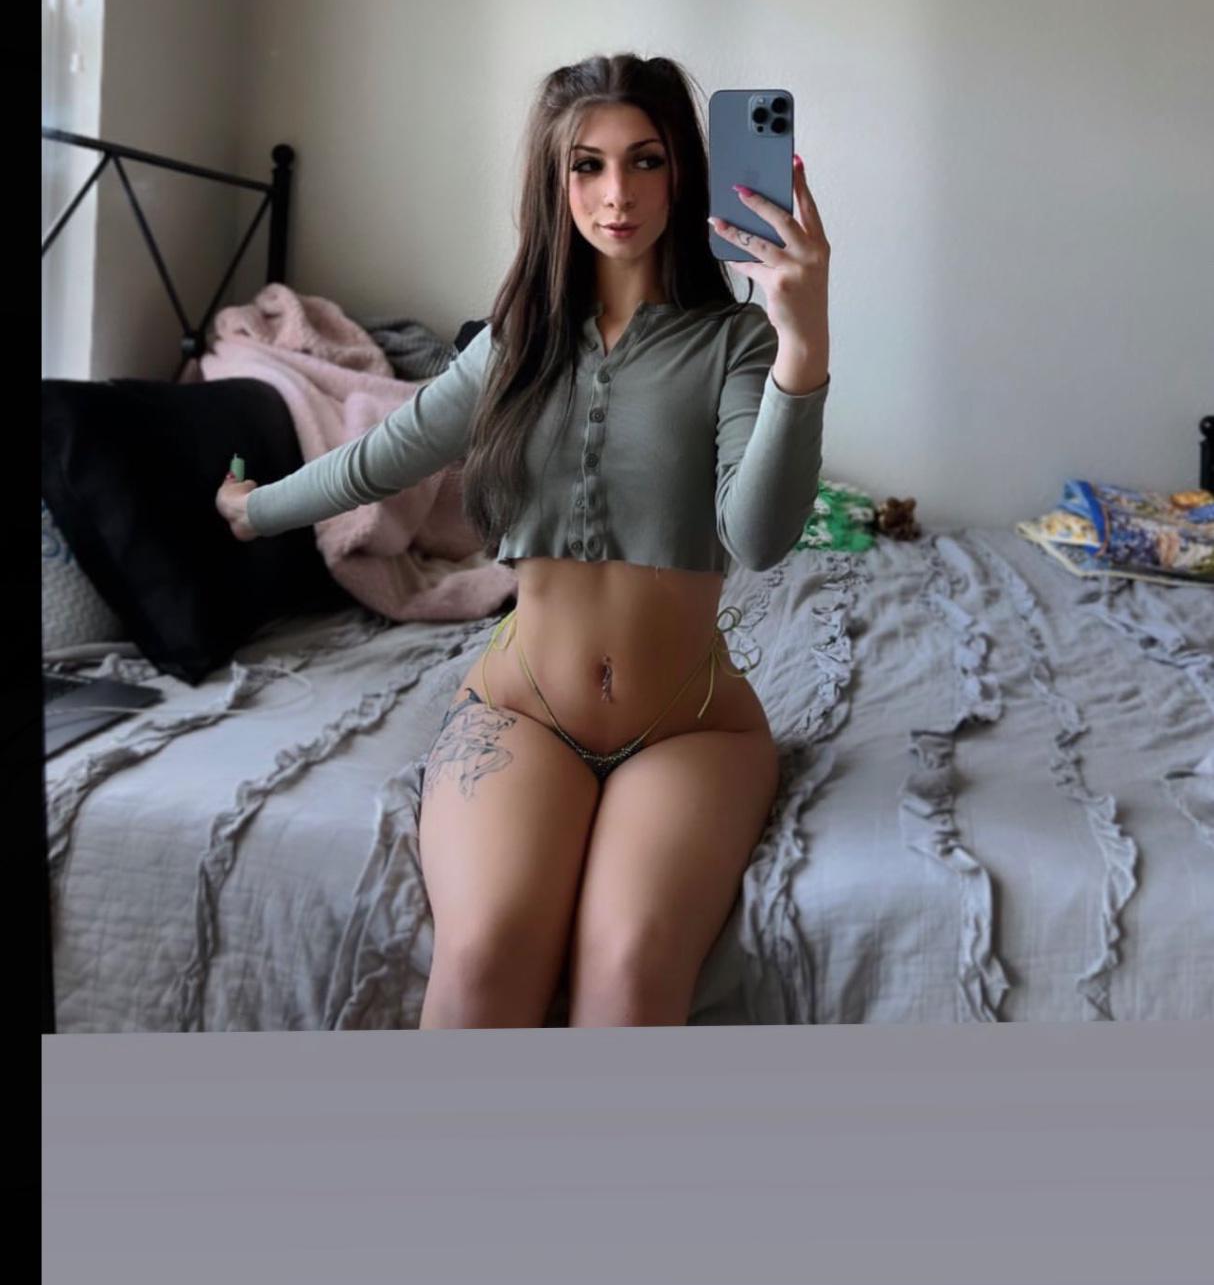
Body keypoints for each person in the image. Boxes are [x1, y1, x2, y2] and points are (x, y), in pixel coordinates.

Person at [215, 53, 832, 1029]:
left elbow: (756, 538)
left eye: (646, 160)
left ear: (686, 171)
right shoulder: (513, 343)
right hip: (520, 714)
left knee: (629, 974)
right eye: (587, 165)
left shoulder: (734, 342)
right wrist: (256, 511)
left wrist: (804, 344)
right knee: (483, 955)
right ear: (555, 180)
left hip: (689, 727)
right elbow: (382, 457)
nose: (616, 194)